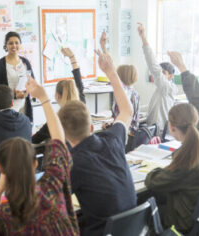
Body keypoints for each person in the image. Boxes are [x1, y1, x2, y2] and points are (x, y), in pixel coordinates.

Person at [0, 77, 79, 235]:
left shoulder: (2, 217)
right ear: (35, 164)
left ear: (0, 168)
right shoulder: (52, 188)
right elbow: (59, 140)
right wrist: (43, 98)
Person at [58, 47, 136, 235]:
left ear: (65, 136)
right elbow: (127, 111)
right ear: (92, 127)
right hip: (132, 229)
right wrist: (110, 72)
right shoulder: (113, 139)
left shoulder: (72, 163)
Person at [145, 51, 199, 233]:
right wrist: (183, 68)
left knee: (145, 204)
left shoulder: (185, 160)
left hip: (183, 222)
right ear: (196, 119)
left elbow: (153, 181)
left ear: (171, 127)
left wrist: (157, 168)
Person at [32, 47, 86, 144]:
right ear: (75, 91)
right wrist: (72, 58)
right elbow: (79, 82)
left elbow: (35, 140)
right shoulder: (82, 108)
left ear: (57, 96)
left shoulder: (56, 121)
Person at [138, 23, 178, 130]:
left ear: (170, 76)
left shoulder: (165, 87)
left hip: (158, 131)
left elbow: (152, 63)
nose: (159, 75)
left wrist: (143, 37)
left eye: (163, 73)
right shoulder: (164, 89)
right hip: (157, 128)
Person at [0, 31, 35, 122]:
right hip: (7, 109)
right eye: (10, 43)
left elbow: (32, 81)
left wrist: (28, 92)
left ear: (20, 44)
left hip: (24, 106)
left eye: (16, 43)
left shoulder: (25, 62)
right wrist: (14, 95)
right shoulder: (0, 65)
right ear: (6, 46)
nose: (14, 46)